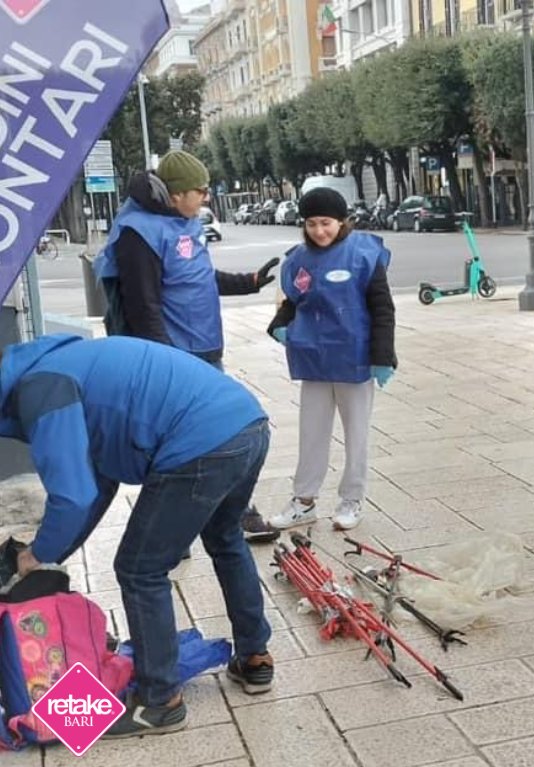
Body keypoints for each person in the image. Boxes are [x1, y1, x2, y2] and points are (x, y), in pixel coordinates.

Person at [0, 334, 275, 736]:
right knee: (226, 539)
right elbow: (97, 483)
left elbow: (73, 496)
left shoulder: (42, 388)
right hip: (245, 422)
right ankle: (255, 657)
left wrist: (34, 554)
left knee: (140, 569)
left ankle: (160, 701)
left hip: (199, 441)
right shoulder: (55, 365)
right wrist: (50, 553)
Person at [94, 151, 280, 543]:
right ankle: (221, 520)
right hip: (176, 357)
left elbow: (196, 277)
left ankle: (213, 521)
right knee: (202, 438)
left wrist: (248, 281)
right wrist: (166, 365)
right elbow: (142, 305)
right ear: (175, 194)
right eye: (200, 190)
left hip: (206, 349)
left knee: (218, 434)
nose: (206, 197)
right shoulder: (138, 232)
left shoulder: (185, 221)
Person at [267, 188, 396, 531]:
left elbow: (382, 309)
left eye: (326, 223)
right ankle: (304, 500)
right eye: (311, 224)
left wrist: (383, 356)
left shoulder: (363, 255)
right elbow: (294, 302)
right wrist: (279, 325)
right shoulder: (298, 261)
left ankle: (352, 499)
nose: (319, 231)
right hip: (314, 359)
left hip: (355, 360)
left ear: (342, 221)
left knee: (357, 435)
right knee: (311, 433)